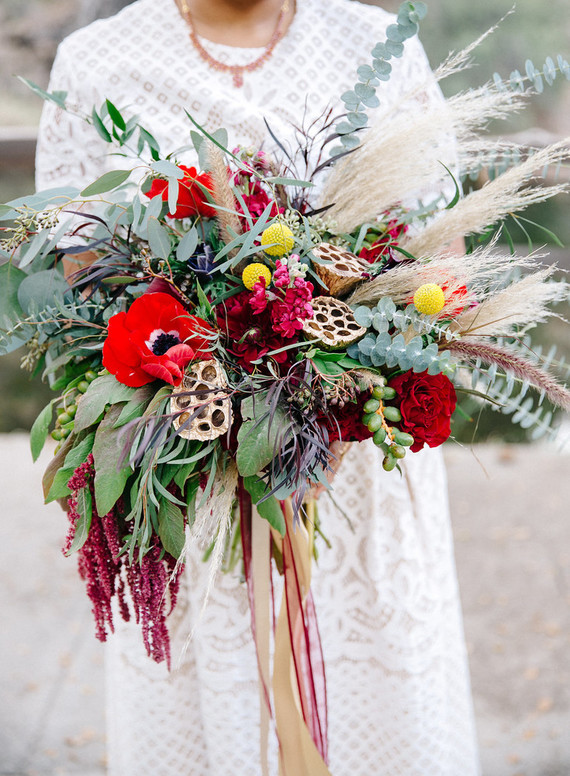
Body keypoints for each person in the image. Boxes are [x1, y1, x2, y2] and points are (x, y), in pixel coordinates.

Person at [35, 1, 481, 774]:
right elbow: (83, 275)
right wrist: (213, 374)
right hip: (195, 460)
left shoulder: (377, 43)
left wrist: (340, 389)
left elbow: (443, 248)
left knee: (373, 703)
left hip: (355, 460)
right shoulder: (96, 60)